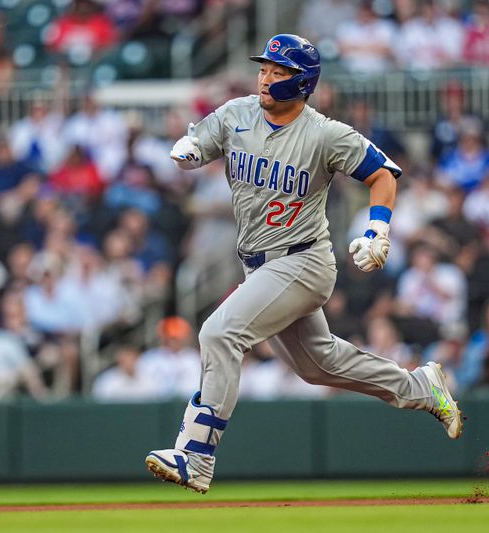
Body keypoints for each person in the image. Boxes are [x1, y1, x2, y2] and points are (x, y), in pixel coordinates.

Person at [145, 34, 462, 495]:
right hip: (260, 265)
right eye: (264, 69)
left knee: (220, 332)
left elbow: (383, 174)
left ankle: (196, 455)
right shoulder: (237, 113)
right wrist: (189, 148)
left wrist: (377, 230)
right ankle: (420, 387)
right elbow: (199, 140)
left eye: (279, 72)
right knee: (319, 365)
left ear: (303, 82)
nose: (266, 78)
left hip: (303, 261)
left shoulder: (325, 133)